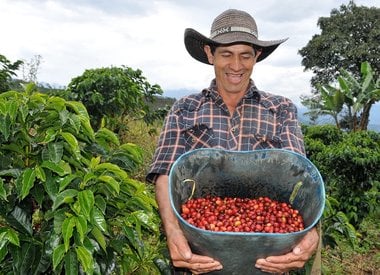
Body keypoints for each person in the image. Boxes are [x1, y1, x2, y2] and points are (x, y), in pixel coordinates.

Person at [146, 8, 319, 274]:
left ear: (256, 56)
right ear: (209, 53)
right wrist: (173, 233)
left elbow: (301, 180)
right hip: (200, 256)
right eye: (226, 54)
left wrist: (308, 235)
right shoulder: (184, 109)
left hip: (266, 259)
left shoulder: (281, 110)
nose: (236, 65)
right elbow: (165, 174)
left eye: (245, 55)